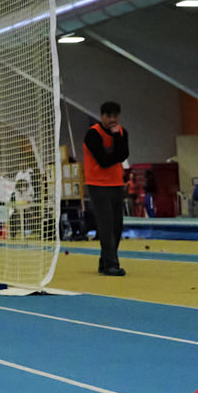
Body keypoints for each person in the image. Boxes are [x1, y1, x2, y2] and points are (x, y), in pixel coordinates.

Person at [82, 101, 129, 277]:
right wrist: (116, 154)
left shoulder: (122, 133)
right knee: (106, 225)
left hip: (116, 183)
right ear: (102, 116)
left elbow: (123, 155)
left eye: (115, 116)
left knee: (117, 226)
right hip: (97, 184)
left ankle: (104, 262)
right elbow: (103, 160)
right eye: (109, 116)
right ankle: (111, 264)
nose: (112, 119)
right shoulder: (92, 134)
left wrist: (117, 138)